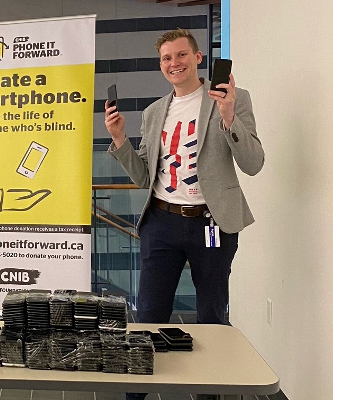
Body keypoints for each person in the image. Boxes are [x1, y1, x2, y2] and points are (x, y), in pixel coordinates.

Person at [104, 29, 263, 400]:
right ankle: (136, 394)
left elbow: (253, 163)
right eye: (166, 58)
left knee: (211, 316)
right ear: (161, 66)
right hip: (161, 222)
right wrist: (119, 141)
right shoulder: (154, 112)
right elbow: (144, 175)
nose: (174, 63)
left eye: (180, 55)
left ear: (197, 58)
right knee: (148, 315)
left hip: (212, 222)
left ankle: (208, 393)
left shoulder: (234, 100)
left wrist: (227, 116)